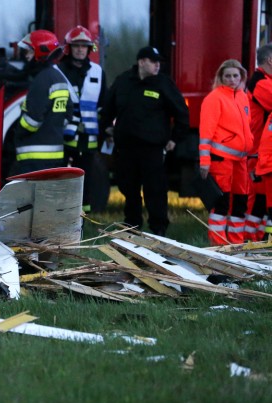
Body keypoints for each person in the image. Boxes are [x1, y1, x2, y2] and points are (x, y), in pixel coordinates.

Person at [101, 46, 189, 236]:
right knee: (129, 189)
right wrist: (106, 127)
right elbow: (107, 108)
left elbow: (181, 112)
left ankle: (158, 229)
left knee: (155, 190)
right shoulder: (123, 81)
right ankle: (132, 225)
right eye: (154, 61)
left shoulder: (163, 84)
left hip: (152, 149)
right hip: (126, 149)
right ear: (142, 62)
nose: (158, 65)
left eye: (159, 62)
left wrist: (175, 138)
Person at [198, 59, 253, 245]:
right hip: (221, 159)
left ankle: (236, 244)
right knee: (221, 203)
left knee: (240, 204)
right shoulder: (214, 98)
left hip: (240, 160)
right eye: (227, 76)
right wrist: (204, 161)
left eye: (235, 75)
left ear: (241, 77)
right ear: (221, 77)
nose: (232, 79)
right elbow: (206, 133)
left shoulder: (243, 97)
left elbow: (247, 128)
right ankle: (219, 246)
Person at [57, 25, 108, 213]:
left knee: (85, 175)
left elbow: (103, 104)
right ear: (69, 48)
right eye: (76, 45)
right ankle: (60, 211)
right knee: (61, 174)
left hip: (88, 136)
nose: (80, 49)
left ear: (89, 49)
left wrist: (106, 131)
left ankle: (82, 213)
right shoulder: (58, 70)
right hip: (63, 133)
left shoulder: (97, 72)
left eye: (84, 46)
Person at [8, 30, 72, 177]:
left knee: (31, 199)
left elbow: (32, 121)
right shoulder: (58, 77)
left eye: (29, 51)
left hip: (34, 159)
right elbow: (68, 114)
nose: (26, 56)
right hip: (55, 156)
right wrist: (52, 127)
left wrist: (18, 133)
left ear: (40, 53)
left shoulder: (41, 80)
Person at [245, 44, 272, 241]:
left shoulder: (265, 81)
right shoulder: (261, 83)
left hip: (261, 153)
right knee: (257, 204)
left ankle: (257, 241)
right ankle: (248, 242)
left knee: (262, 204)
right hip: (257, 154)